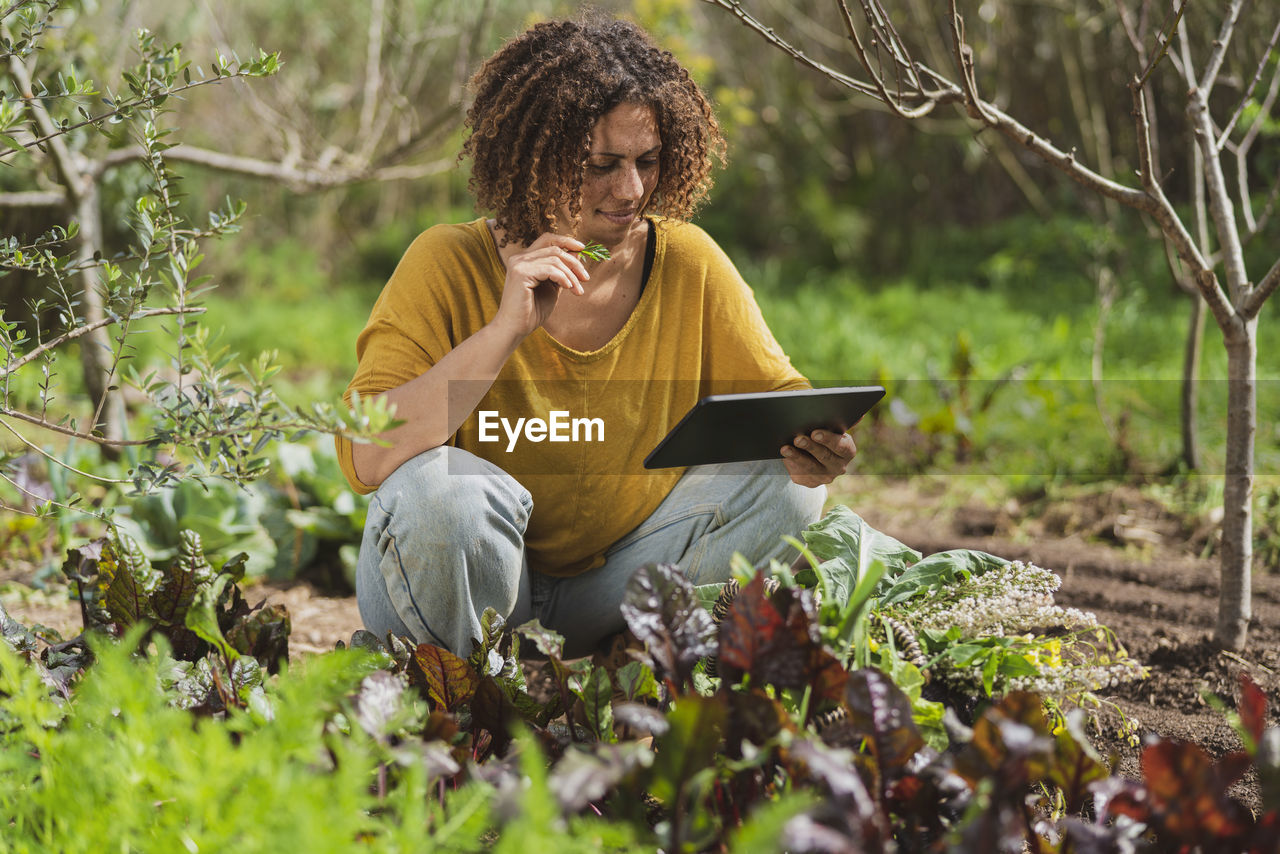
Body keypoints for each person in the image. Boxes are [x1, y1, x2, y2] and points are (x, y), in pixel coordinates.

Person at [336, 14, 857, 658]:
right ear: (533, 158)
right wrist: (504, 331)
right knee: (442, 495)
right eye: (600, 165)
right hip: (468, 589)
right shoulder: (444, 261)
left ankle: (632, 653)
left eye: (647, 161)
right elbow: (368, 456)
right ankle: (477, 691)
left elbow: (780, 399)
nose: (630, 189)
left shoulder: (688, 261)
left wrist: (815, 445)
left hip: (613, 587)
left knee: (783, 487)